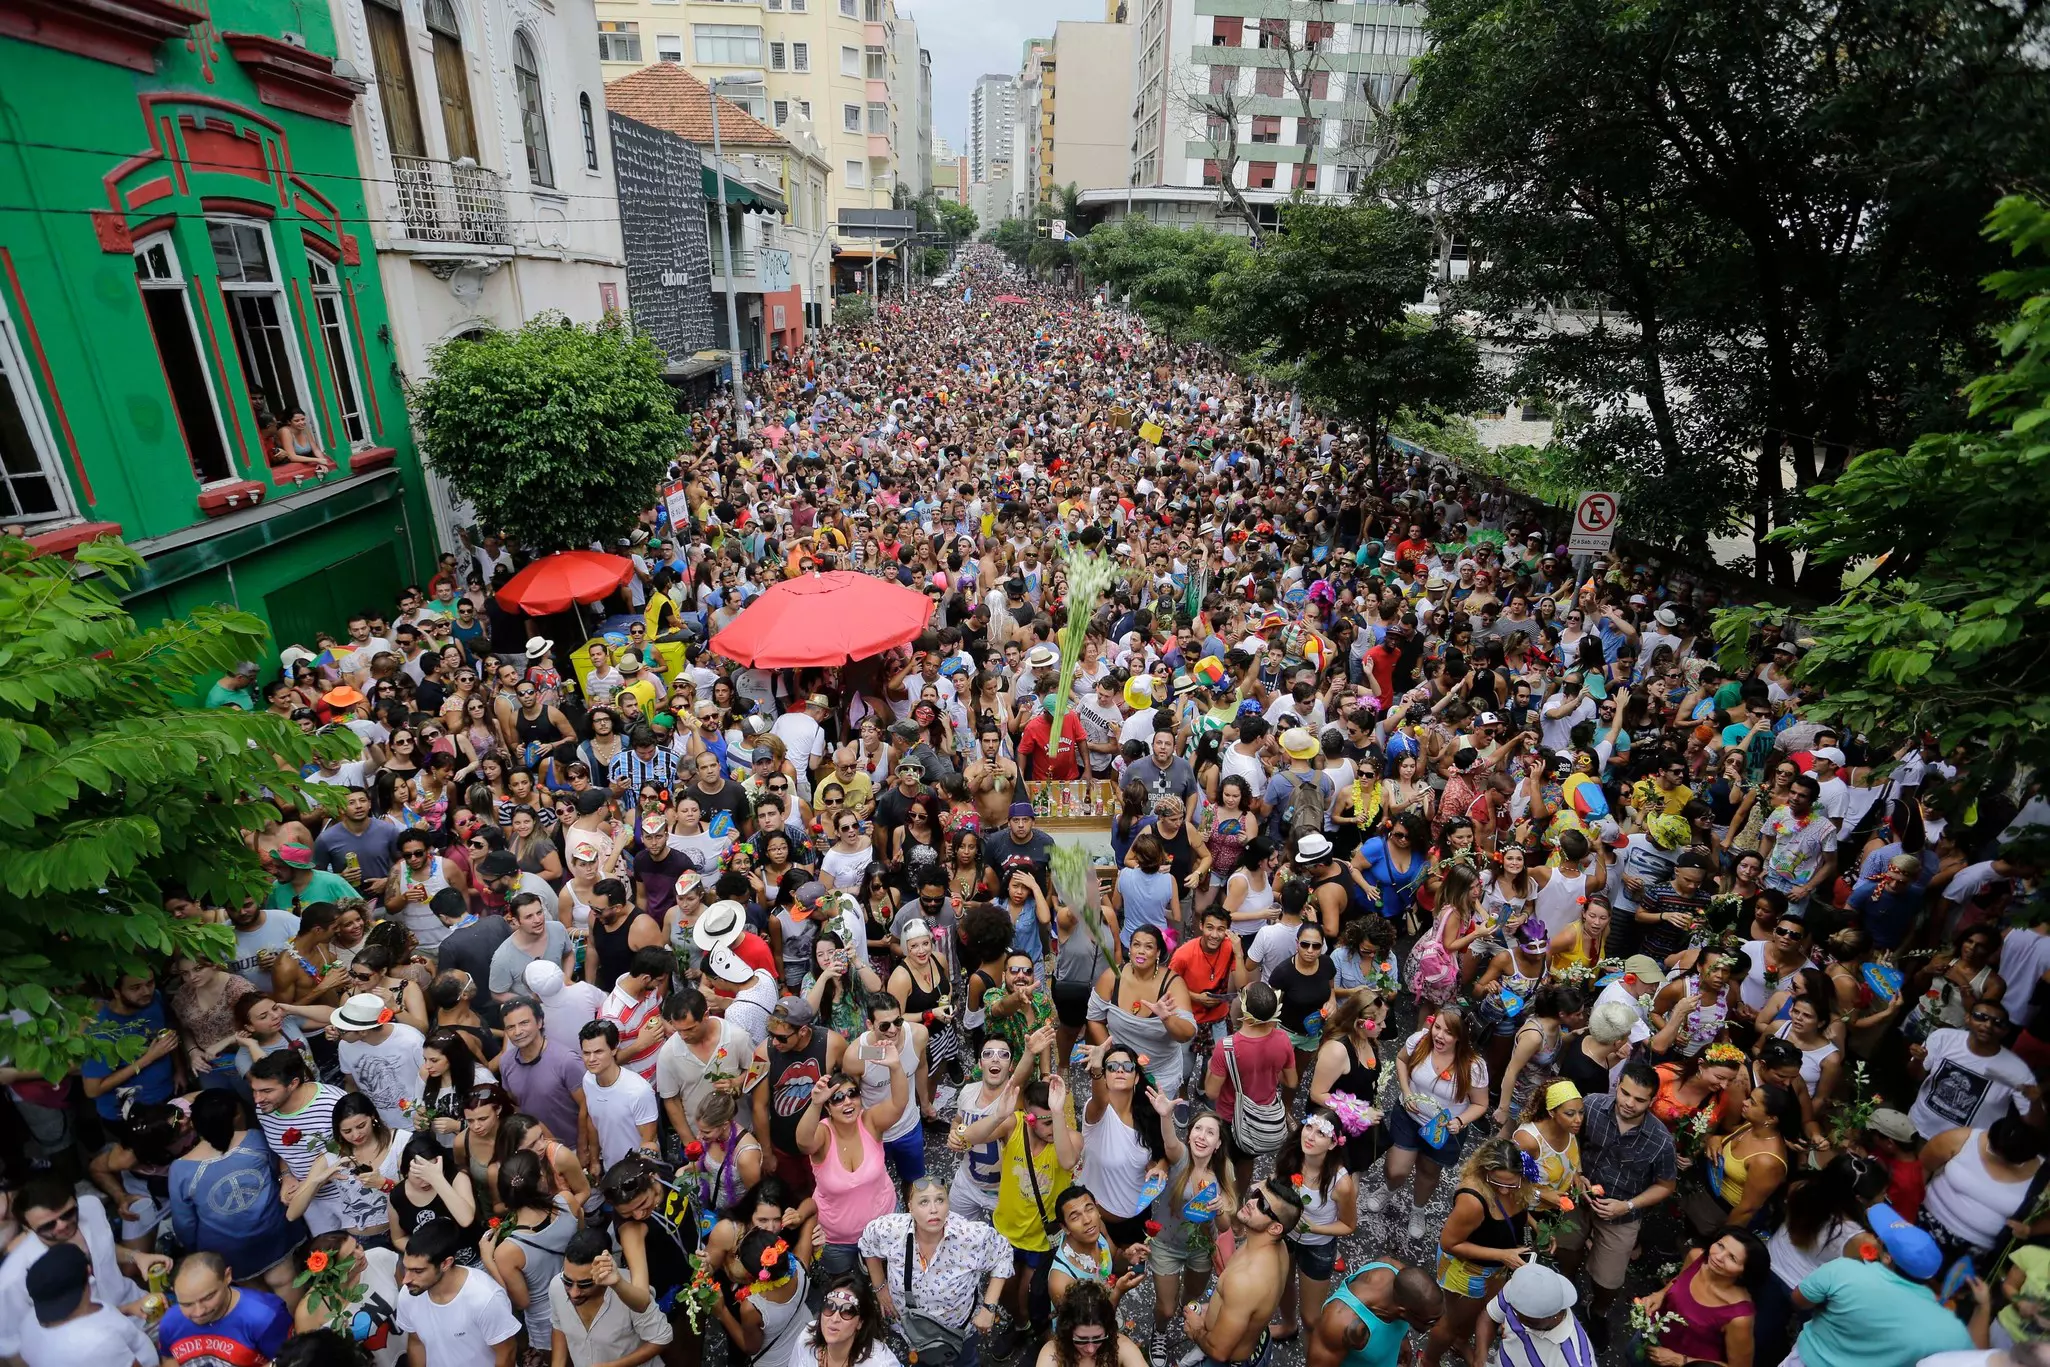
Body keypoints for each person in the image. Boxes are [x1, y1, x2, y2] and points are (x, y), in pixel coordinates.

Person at [1552, 1061, 1677, 1349]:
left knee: (1609, 1279)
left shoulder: (1660, 1141)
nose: (1629, 1103)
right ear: (1617, 1085)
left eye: (1639, 1099)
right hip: (1579, 1199)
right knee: (1566, 1246)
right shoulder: (1592, 1105)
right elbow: (1571, 1139)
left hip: (1621, 1215)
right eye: (1625, 1093)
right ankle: (1565, 1286)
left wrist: (1628, 1206)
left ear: (1652, 1100)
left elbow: (1666, 1185)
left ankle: (1598, 1312)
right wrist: (1577, 1173)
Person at [1789, 1208, 1986, 1367]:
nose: (1876, 1240)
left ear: (1886, 1257)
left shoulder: (1843, 1271)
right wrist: (1984, 1308)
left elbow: (1799, 1300)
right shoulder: (1949, 1330)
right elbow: (1976, 1359)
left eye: (1881, 1241)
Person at [860, 1176, 1014, 1363]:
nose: (934, 1209)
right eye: (924, 1202)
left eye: (940, 1200)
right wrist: (880, 1287)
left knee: (966, 1362)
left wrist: (989, 1308)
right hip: (913, 1333)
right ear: (910, 1207)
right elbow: (868, 1241)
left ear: (948, 1204)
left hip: (959, 1332)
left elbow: (1003, 1253)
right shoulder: (892, 1230)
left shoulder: (969, 1236)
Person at [0, 1180, 152, 1361]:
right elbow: (12, 1346)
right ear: (27, 1227)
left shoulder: (91, 1206)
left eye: (69, 1213)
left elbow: (103, 1245)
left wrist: (135, 1256)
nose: (62, 1225)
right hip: (94, 1349)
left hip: (140, 1307)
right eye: (49, 1225)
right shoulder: (13, 1278)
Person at [1422, 1137, 1535, 1367]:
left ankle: (1461, 1342)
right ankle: (1428, 1362)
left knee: (1482, 1310)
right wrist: (1503, 1255)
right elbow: (1449, 1243)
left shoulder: (1520, 1184)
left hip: (1496, 1267)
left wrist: (1534, 1223)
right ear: (1485, 1172)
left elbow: (1513, 1210)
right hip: (1467, 1270)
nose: (1504, 1190)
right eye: (1497, 1183)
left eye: (1511, 1184)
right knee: (1450, 1322)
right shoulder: (1473, 1200)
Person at [1387, 1005, 1491, 1243]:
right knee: (1396, 1169)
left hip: (1442, 1128)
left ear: (1461, 1037)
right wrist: (1406, 1091)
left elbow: (1480, 1104)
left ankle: (1417, 1209)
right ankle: (1389, 1188)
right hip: (1408, 1116)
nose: (1439, 1036)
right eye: (1438, 1027)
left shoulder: (1474, 1067)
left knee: (1428, 1170)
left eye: (1448, 1032)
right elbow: (1401, 1060)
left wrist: (1460, 1121)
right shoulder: (1419, 1041)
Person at [797, 1060, 907, 1275]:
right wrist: (815, 1103)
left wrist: (895, 1066)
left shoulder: (870, 1122)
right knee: (843, 1280)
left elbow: (899, 1104)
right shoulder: (823, 1134)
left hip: (884, 1224)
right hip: (837, 1239)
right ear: (828, 1107)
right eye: (837, 1098)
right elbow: (803, 1143)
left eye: (852, 1094)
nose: (847, 1101)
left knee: (893, 1272)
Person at [1182, 1177, 1298, 1367]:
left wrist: (1196, 1330)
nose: (1251, 1202)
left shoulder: (1246, 1280)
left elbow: (1219, 1351)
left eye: (1263, 1205)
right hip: (1256, 1343)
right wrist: (1212, 1309)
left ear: (1276, 1228)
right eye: (1256, 1195)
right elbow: (1248, 1306)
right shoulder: (1278, 1246)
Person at [1206, 983, 1299, 1200]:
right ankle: (1239, 1204)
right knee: (1247, 1161)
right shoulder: (1283, 1039)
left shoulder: (1227, 1047)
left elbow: (1211, 1092)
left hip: (1230, 1118)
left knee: (1222, 1163)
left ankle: (1221, 1204)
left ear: (1244, 1009)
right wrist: (1270, 1071)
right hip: (1261, 1118)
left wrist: (1213, 1065)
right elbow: (1291, 1081)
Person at [1273, 1110, 1360, 1342]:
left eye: (1321, 1133)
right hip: (1285, 1236)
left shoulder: (1341, 1183)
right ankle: (1288, 1326)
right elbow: (1276, 1185)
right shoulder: (1291, 1157)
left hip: (1318, 1247)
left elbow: (1349, 1225)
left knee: (1311, 1318)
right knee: (1283, 1286)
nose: (1310, 1136)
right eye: (1309, 1127)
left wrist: (1312, 1228)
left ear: (1333, 1144)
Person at [1632, 1227, 1768, 1367]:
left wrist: (1680, 1360)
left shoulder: (1739, 1317)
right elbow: (1679, 1280)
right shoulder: (1696, 1257)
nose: (1718, 1257)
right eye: (1720, 1246)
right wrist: (1660, 1294)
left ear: (1745, 1272)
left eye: (1732, 1258)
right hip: (1649, 1338)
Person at [396, 1221, 524, 1367]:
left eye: (418, 1271)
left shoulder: (485, 1298)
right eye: (406, 1268)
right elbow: (416, 1342)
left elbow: (507, 1352)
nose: (406, 1280)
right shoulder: (409, 1294)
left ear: (446, 1263)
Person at [1909, 999, 2041, 1139]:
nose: (1988, 1025)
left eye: (1998, 1023)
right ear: (1967, 1018)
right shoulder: (1943, 1038)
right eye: (1981, 1017)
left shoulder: (2018, 1070)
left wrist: (2035, 1101)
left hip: (1960, 1148)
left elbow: (2035, 1124)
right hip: (1916, 1126)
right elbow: (1914, 1076)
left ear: (2005, 1031)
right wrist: (1918, 1060)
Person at [14, 1243, 159, 1367]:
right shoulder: (99, 1343)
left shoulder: (29, 1322)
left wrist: (127, 1308)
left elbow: (91, 1319)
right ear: (89, 1272)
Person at [547, 1227, 673, 1367]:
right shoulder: (556, 1287)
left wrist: (614, 1366)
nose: (574, 1293)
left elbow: (661, 1339)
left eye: (585, 1284)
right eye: (568, 1281)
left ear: (605, 1269)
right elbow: (558, 1326)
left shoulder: (632, 1290)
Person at [158, 1251, 295, 1367]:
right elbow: (170, 1359)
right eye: (187, 1304)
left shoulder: (265, 1316)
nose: (199, 1312)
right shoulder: (170, 1321)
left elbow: (290, 1361)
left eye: (208, 1297)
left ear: (227, 1276)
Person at [1305, 1256, 1443, 1367]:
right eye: (1431, 1321)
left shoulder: (1399, 1274)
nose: (1439, 1324)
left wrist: (1402, 1339)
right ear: (1402, 1311)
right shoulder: (1340, 1323)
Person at [1471, 1262, 1592, 1367]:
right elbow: (1489, 1316)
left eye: (1528, 1321)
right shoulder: (1519, 1289)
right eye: (1515, 1312)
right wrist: (1480, 1358)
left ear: (1552, 1315)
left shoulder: (1572, 1361)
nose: (1516, 1319)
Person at [578, 1019, 659, 1170]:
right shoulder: (588, 1080)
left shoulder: (639, 1091)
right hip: (609, 1168)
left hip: (637, 1173)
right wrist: (595, 1160)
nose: (591, 1059)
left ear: (614, 1049)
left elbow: (648, 1141)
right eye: (586, 1053)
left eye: (598, 1052)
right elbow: (593, 1121)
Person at [1036, 1281, 1147, 1367]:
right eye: (1081, 1340)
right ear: (1068, 1332)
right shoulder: (1053, 1352)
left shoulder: (1120, 1346)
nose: (1090, 1349)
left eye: (1098, 1338)